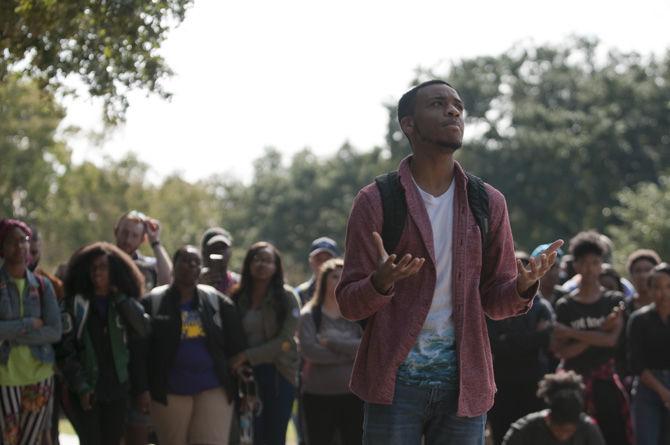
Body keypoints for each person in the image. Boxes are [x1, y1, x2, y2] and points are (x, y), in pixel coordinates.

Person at [335, 80, 562, 444]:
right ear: (408, 124)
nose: (453, 111)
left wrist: (522, 286)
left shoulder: (487, 201)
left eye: (457, 105)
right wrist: (380, 282)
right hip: (395, 385)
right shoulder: (377, 200)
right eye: (438, 104)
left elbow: (496, 302)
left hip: (465, 385)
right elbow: (348, 303)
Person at [143, 245, 246, 445]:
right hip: (169, 390)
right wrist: (142, 389)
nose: (191, 266)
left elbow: (237, 343)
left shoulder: (216, 301)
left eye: (196, 262)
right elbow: (141, 351)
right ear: (174, 265)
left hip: (213, 387)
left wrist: (240, 372)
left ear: (201, 268)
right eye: (185, 261)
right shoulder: (153, 302)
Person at [57, 242, 149, 445]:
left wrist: (120, 298)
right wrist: (81, 387)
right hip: (86, 389)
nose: (97, 272)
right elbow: (65, 351)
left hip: (117, 390)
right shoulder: (74, 305)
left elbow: (143, 329)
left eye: (103, 267)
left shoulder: (124, 302)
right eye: (93, 268)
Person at [551, 231, 632, 445]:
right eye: (584, 263)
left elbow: (611, 341)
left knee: (613, 435)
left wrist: (571, 333)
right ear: (575, 265)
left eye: (595, 263)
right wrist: (599, 332)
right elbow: (562, 351)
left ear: (601, 266)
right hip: (574, 384)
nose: (590, 268)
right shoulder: (566, 305)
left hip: (606, 382)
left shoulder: (613, 300)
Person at [230, 242, 301, 445]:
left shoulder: (287, 298)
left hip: (279, 374)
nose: (262, 265)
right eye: (257, 259)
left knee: (274, 435)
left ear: (276, 267)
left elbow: (285, 342)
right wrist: (241, 362)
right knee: (249, 437)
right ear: (248, 264)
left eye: (268, 261)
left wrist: (246, 356)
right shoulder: (237, 297)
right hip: (246, 376)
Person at [0, 219, 62, 445]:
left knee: (31, 441)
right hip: (5, 375)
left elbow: (54, 331)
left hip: (40, 374)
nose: (19, 247)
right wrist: (28, 323)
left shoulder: (42, 285)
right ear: (2, 247)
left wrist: (11, 333)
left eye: (23, 240)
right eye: (11, 241)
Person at [487, 255, 556, 445]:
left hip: (532, 381)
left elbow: (544, 339)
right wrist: (527, 339)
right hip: (501, 383)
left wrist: (508, 339)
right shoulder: (492, 304)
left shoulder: (541, 307)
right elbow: (493, 342)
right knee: (503, 434)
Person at [298, 258, 363, 445]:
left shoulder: (357, 314)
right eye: (334, 276)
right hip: (318, 395)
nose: (339, 280)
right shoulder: (310, 315)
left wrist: (332, 342)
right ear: (323, 280)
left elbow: (364, 348)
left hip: (353, 395)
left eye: (343, 276)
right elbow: (310, 351)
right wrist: (349, 352)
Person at [627, 262, 670, 445]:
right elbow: (636, 362)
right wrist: (663, 392)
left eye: (669, 287)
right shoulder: (639, 320)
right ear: (650, 290)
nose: (664, 293)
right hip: (648, 388)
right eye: (657, 288)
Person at [502, 371, 605, 445]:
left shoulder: (588, 430)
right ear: (548, 418)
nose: (563, 436)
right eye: (558, 429)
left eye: (568, 430)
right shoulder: (525, 429)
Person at [114, 210, 173, 292]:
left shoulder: (147, 267)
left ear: (142, 239)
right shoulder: (102, 260)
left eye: (135, 236)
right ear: (116, 232)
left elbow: (168, 282)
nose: (128, 240)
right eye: (125, 233)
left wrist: (155, 241)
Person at [295, 237, 340, 305]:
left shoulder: (344, 292)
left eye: (328, 260)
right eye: (318, 259)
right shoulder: (299, 294)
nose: (323, 264)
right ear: (311, 262)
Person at [200, 227, 240, 295]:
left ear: (230, 252)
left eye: (223, 248)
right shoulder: (192, 282)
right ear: (204, 253)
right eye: (214, 248)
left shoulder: (239, 283)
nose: (219, 252)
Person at [532, 243, 568, 308]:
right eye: (547, 266)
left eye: (557, 267)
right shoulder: (525, 298)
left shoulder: (567, 298)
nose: (553, 272)